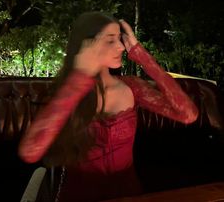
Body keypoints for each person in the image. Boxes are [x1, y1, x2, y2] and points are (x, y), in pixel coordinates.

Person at [18, 11, 198, 202]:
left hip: (128, 193)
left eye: (120, 39)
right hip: (79, 195)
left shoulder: (133, 86)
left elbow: (188, 114)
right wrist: (80, 77)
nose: (121, 47)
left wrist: (142, 56)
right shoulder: (68, 90)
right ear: (87, 45)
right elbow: (30, 152)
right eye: (111, 40)